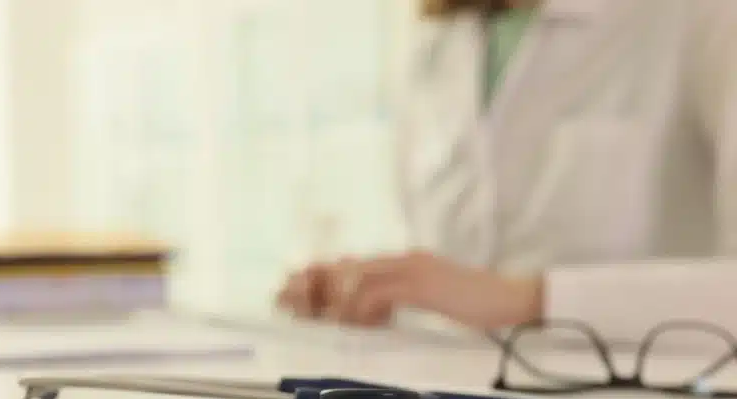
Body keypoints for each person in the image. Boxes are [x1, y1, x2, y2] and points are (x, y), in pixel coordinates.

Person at [275, 0, 737, 341]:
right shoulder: (439, 43)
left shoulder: (702, 18)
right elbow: (454, 278)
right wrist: (375, 294)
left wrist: (526, 300)